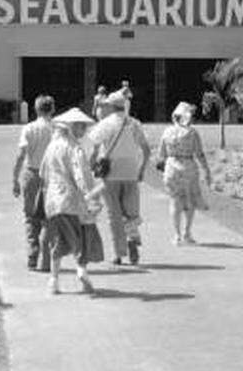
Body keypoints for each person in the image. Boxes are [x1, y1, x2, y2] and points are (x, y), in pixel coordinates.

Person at [41, 107, 104, 295]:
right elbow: (81, 177)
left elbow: (42, 173)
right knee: (81, 238)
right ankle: (81, 272)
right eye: (80, 126)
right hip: (71, 201)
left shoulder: (51, 147)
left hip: (52, 201)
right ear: (71, 127)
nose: (83, 129)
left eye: (83, 126)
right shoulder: (75, 148)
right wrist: (91, 197)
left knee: (58, 241)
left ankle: (54, 280)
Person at [88, 89, 150, 265]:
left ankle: (118, 253)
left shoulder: (106, 124)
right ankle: (132, 240)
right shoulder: (135, 124)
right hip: (131, 173)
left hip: (111, 174)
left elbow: (93, 149)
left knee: (114, 215)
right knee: (131, 212)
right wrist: (141, 170)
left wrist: (92, 166)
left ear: (111, 106)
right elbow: (146, 150)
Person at [156, 102, 212, 245]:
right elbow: (199, 154)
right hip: (189, 167)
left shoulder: (167, 131)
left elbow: (161, 154)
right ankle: (187, 233)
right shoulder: (192, 133)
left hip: (171, 167)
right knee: (190, 201)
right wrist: (207, 170)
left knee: (175, 201)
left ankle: (176, 235)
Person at [12, 94, 55, 271]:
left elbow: (21, 155)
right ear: (52, 109)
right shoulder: (57, 129)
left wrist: (14, 178)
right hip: (52, 176)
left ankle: (32, 254)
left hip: (31, 173)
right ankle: (46, 260)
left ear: (36, 109)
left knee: (30, 217)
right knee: (48, 218)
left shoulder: (29, 128)